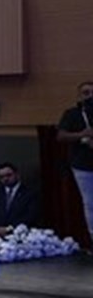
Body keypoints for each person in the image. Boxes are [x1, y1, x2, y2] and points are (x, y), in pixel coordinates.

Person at [55, 80, 93, 246]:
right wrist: (81, 135)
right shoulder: (72, 114)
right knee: (90, 203)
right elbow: (61, 136)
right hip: (82, 165)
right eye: (85, 92)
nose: (90, 96)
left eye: (92, 92)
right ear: (79, 96)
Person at [0, 162, 40, 235]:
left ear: (17, 174)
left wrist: (10, 228)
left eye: (9, 175)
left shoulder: (29, 193)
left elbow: (31, 215)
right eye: (2, 177)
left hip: (21, 235)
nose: (5, 179)